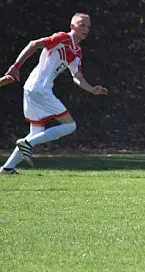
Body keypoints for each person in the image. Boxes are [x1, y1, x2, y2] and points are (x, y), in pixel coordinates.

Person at [0, 13, 108, 174]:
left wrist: (92, 89)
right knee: (70, 125)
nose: (85, 29)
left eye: (88, 26)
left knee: (35, 133)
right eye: (81, 24)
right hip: (40, 90)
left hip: (32, 89)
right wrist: (15, 66)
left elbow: (77, 77)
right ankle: (26, 144)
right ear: (72, 26)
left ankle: (7, 168)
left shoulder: (77, 51)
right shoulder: (62, 38)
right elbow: (33, 44)